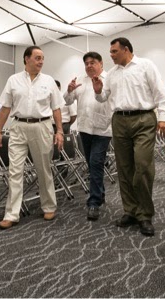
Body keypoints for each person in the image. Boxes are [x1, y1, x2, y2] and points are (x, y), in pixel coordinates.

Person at [93, 37, 165, 237]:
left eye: (114, 52)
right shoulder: (111, 74)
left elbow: (160, 93)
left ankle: (145, 214)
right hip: (119, 120)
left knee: (142, 167)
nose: (110, 55)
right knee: (124, 169)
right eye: (110, 52)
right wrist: (98, 91)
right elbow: (104, 97)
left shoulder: (146, 65)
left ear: (126, 49)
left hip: (144, 119)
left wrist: (164, 118)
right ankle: (130, 210)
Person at [0, 46, 65, 229]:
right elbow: (5, 108)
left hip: (42, 126)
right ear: (26, 59)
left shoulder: (49, 81)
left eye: (42, 58)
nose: (41, 61)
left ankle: (49, 206)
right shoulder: (13, 80)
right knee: (15, 171)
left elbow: (56, 108)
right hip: (18, 126)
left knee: (43, 169)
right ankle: (11, 214)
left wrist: (59, 131)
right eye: (37, 58)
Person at [64, 51, 113, 221]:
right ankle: (100, 193)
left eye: (92, 62)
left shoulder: (109, 79)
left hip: (103, 129)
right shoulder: (80, 81)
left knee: (95, 162)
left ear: (101, 64)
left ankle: (93, 202)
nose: (89, 66)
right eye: (86, 63)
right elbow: (68, 101)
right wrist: (69, 91)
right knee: (92, 164)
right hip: (84, 128)